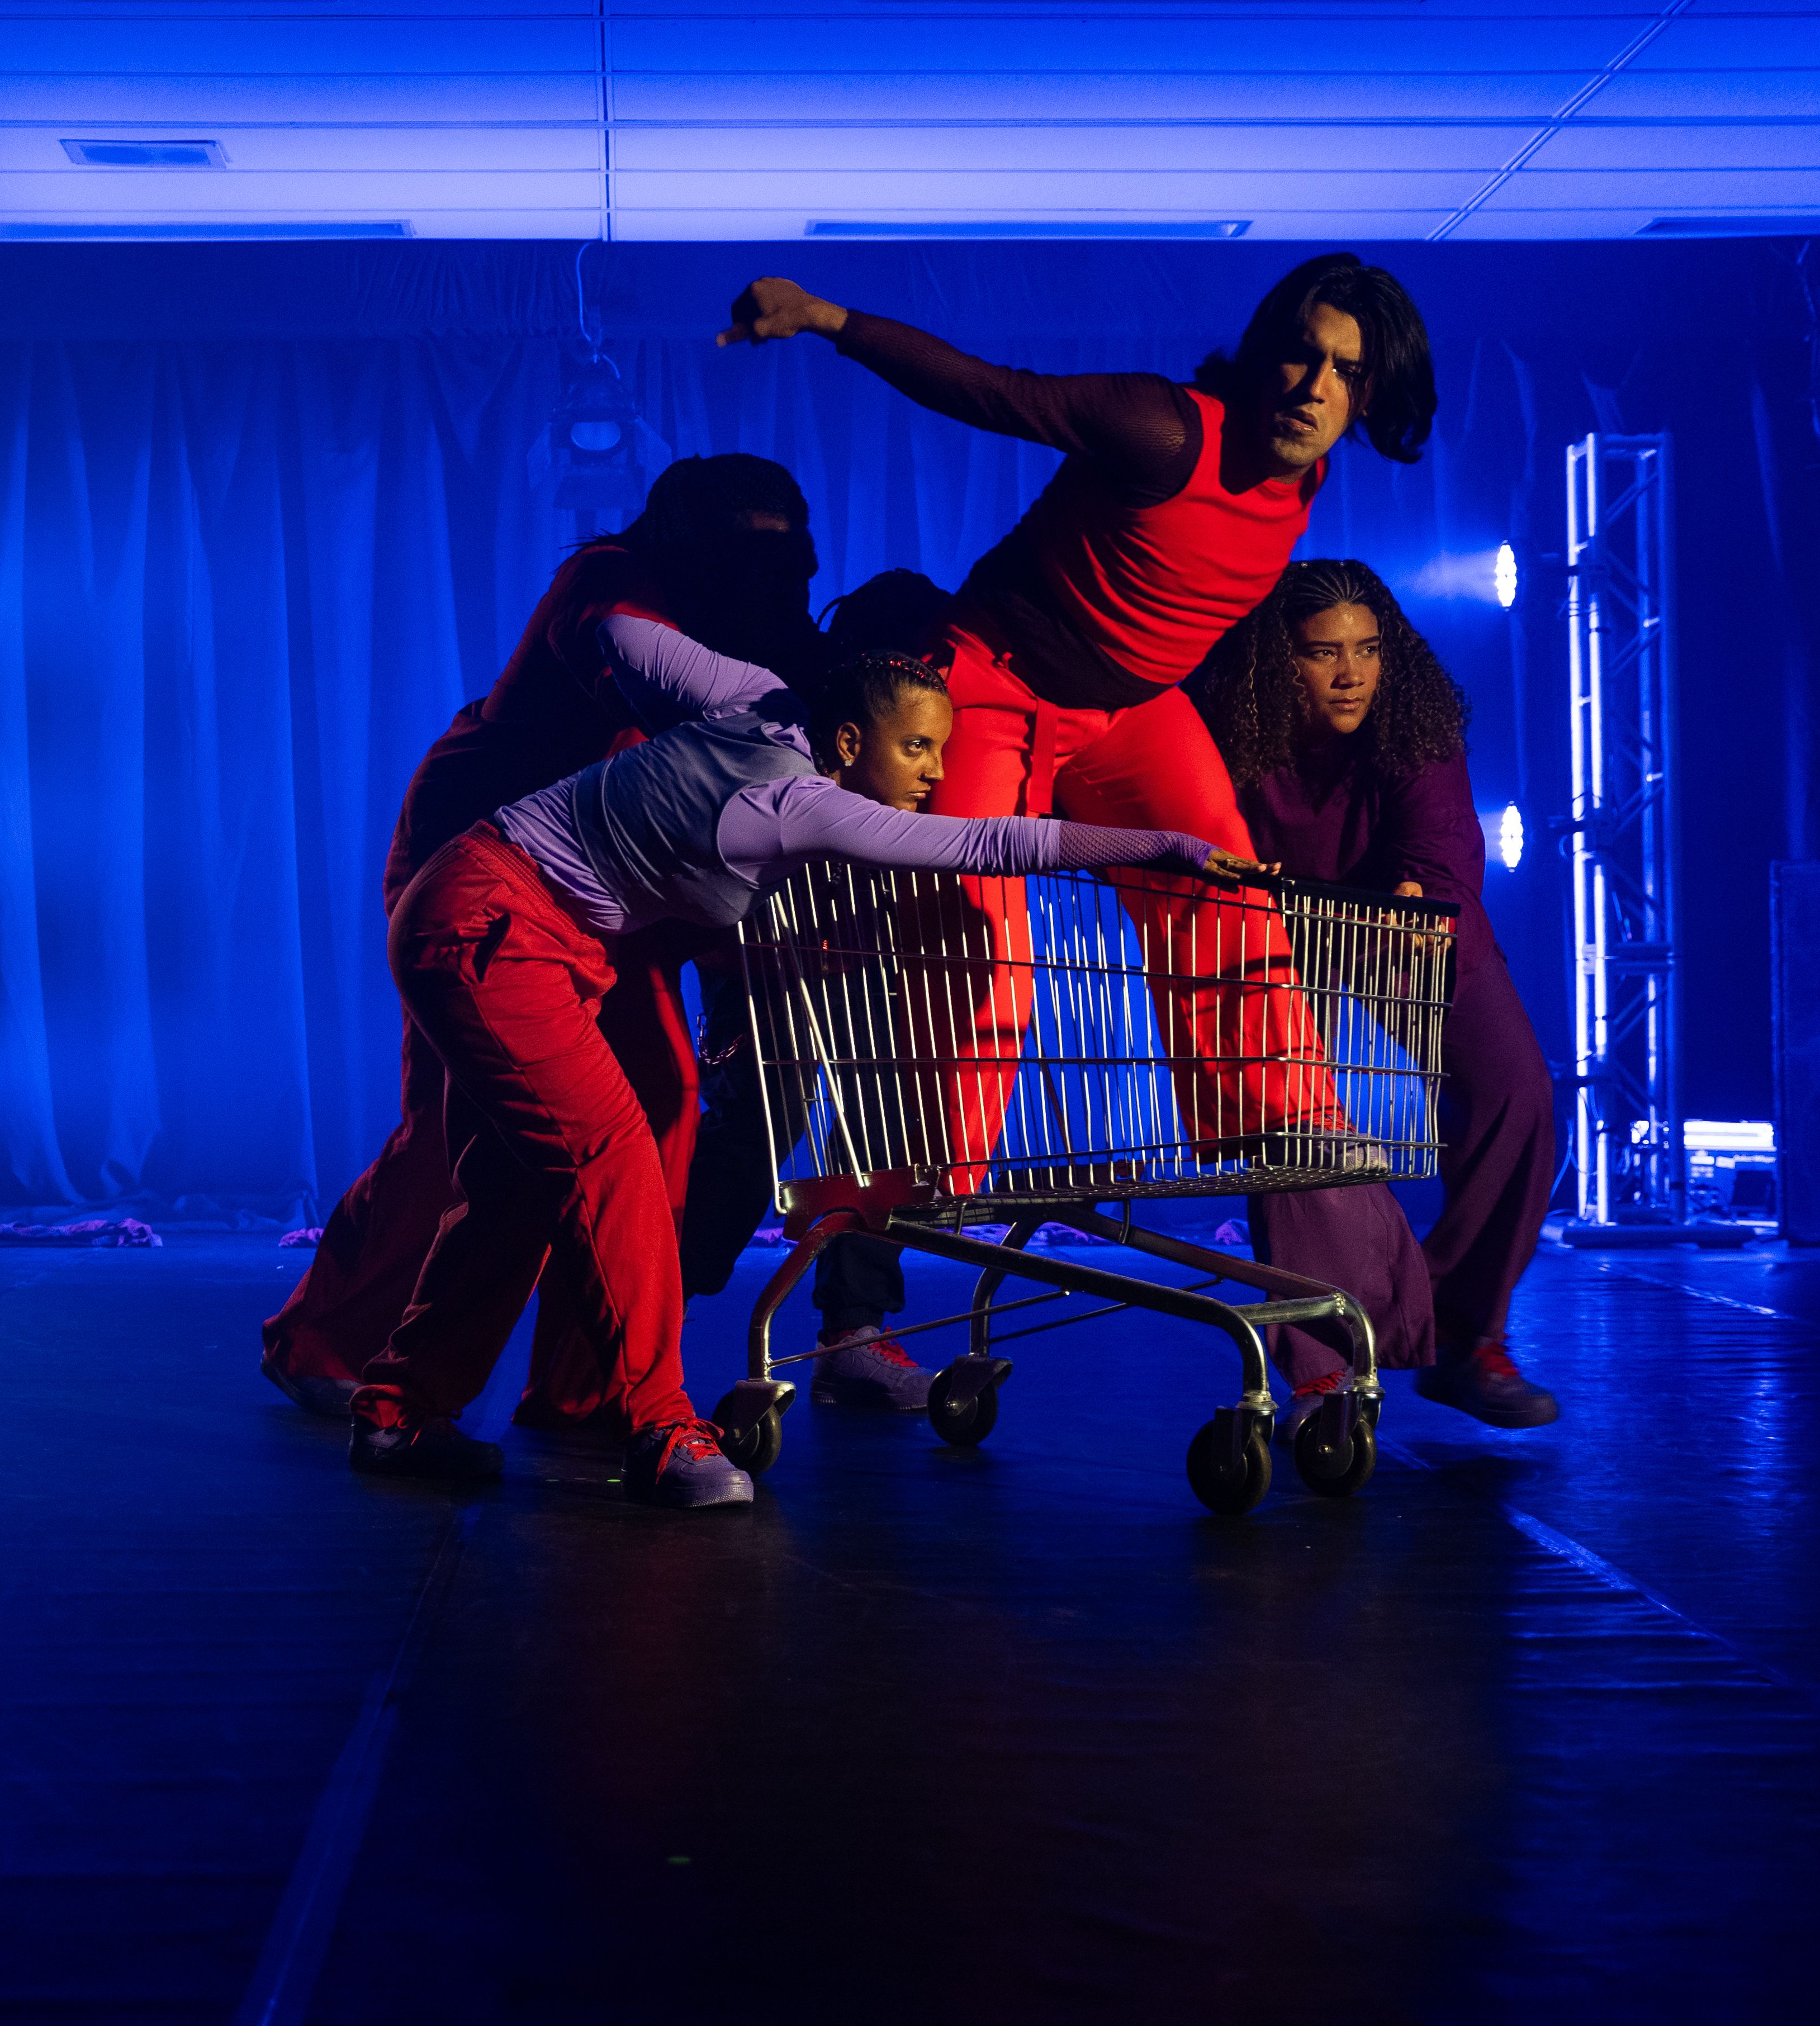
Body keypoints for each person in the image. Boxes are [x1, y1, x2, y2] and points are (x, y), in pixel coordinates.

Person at [720, 256, 1443, 1402]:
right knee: (968, 956)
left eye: (1344, 373)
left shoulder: (1299, 480)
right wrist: (827, 319)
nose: (1311, 386)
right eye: (1299, 354)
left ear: (1369, 395)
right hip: (996, 684)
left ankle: (1292, 1135)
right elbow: (989, 389)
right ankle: (887, 1253)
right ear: (1261, 353)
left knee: (1231, 892)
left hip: (1125, 712)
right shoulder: (1164, 428)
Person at [354, 625, 1259, 1508]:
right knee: (612, 1154)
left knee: (513, 1187)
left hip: (491, 905)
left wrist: (660, 756)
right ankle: (662, 1426)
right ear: (851, 740)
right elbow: (992, 842)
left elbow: (614, 634)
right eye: (914, 748)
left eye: (939, 749)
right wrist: (1165, 845)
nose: (935, 773)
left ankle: (400, 1411)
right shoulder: (800, 804)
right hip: (492, 930)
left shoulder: (752, 698)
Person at [262, 457, 827, 1427]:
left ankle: (587, 1383)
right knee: (460, 1129)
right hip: (488, 861)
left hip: (627, 885)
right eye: (747, 554)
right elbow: (676, 701)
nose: (768, 575)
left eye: (785, 558)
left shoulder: (756, 616)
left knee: (656, 1105)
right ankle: (324, 1337)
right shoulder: (608, 585)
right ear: (691, 546)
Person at [1188, 560, 1563, 1426]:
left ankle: (1463, 1337)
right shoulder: (1222, 722)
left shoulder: (1413, 721)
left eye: (1367, 650)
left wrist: (1408, 902)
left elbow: (1439, 851)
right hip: (1271, 933)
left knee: (1517, 1093)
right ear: (1275, 663)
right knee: (1292, 1123)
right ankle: (1323, 1371)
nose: (1351, 673)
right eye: (1324, 654)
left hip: (1396, 928)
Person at [680, 568, 949, 1411]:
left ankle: (853, 1334)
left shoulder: (930, 738)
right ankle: (648, 1307)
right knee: (757, 1131)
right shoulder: (783, 722)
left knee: (881, 1130)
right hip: (769, 961)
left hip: (868, 953)